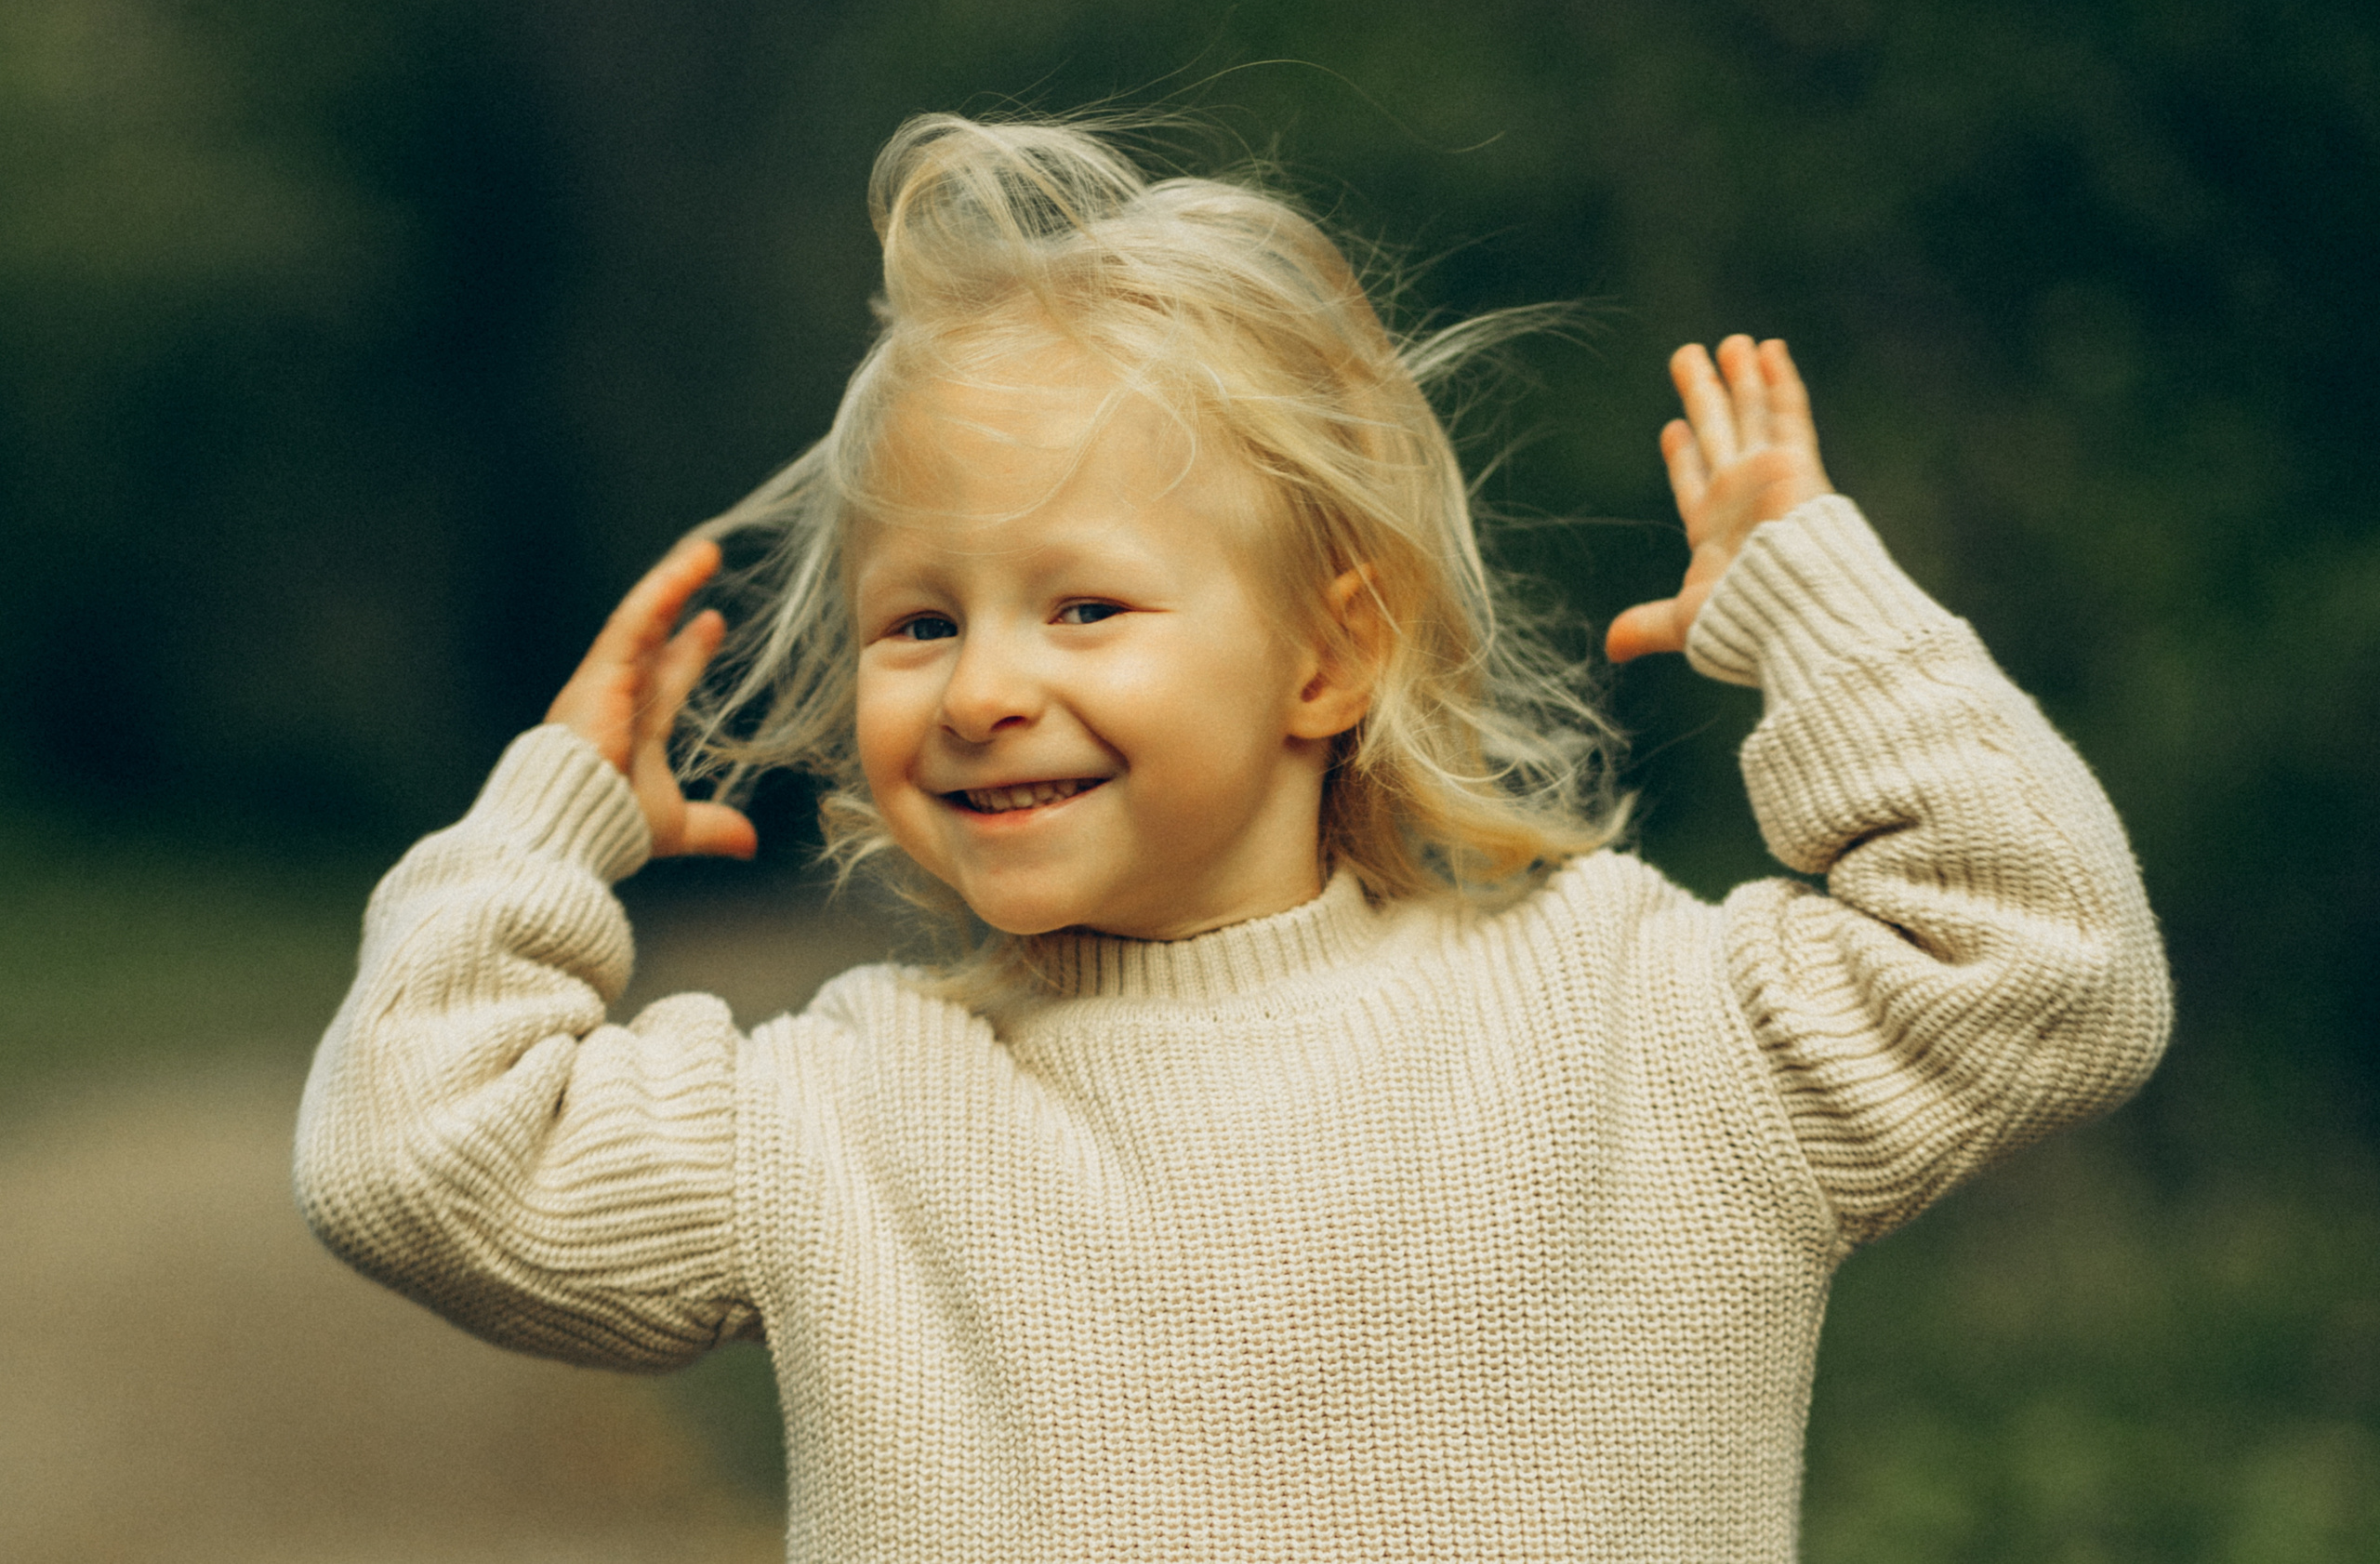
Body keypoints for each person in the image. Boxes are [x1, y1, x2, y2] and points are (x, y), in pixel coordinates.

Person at [295, 113, 2170, 1561]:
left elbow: (2046, 963)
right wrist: (540, 827)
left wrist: (1816, 609)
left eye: (1084, 606)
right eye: (920, 619)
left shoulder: (1644, 1014)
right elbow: (418, 1160)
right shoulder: (845, 1105)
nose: (978, 687)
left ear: (1328, 649)